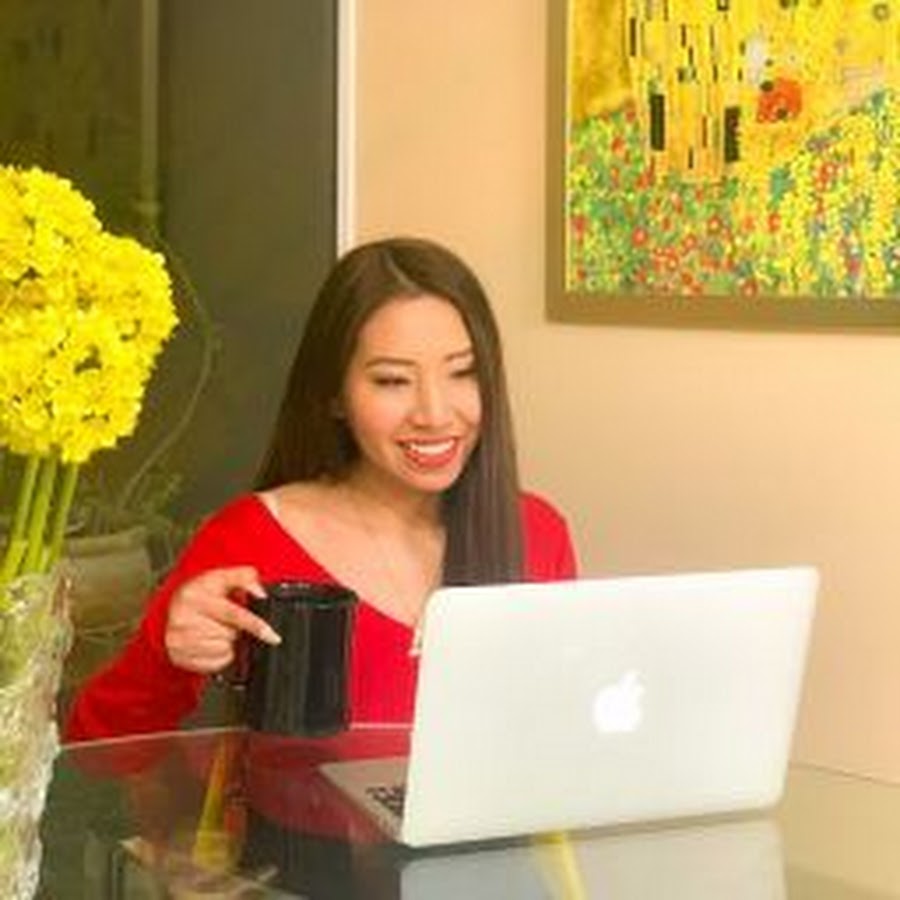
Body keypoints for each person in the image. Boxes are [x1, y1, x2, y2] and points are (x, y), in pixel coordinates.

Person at [64, 237, 578, 741]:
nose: (435, 413)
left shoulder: (538, 533)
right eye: (392, 381)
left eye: (463, 373)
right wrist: (165, 653)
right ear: (334, 394)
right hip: (286, 804)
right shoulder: (247, 540)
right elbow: (92, 751)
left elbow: (566, 735)